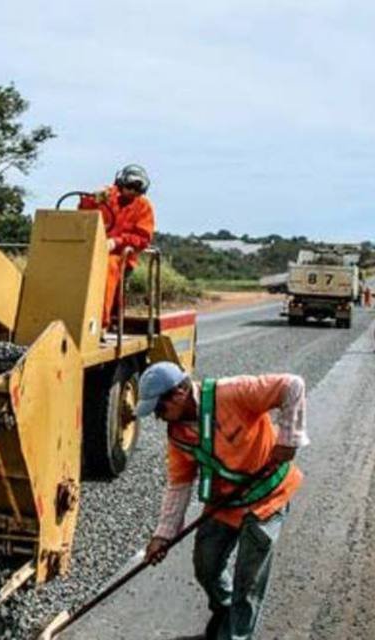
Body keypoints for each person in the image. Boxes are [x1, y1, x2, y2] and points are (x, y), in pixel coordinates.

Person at [137, 362, 308, 640]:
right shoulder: (178, 435)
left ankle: (236, 634)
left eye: (159, 408)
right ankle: (226, 612)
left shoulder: (231, 393)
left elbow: (293, 385)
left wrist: (290, 438)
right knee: (206, 564)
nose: (158, 416)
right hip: (226, 502)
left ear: (179, 392)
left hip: (267, 494)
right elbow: (179, 484)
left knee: (248, 581)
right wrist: (163, 536)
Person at [79, 165, 155, 329]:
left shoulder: (143, 207)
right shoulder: (107, 196)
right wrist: (92, 199)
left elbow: (143, 238)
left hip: (121, 255)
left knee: (108, 267)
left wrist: (117, 242)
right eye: (129, 187)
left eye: (137, 189)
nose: (132, 192)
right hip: (91, 250)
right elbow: (83, 213)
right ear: (121, 183)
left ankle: (102, 323)